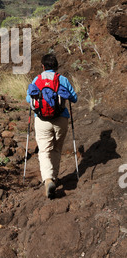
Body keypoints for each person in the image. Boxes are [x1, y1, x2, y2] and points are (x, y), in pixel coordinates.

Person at [26, 54, 77, 198]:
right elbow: (74, 98)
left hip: (42, 120)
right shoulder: (62, 79)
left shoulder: (37, 79)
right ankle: (54, 177)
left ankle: (48, 180)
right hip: (61, 119)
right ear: (56, 66)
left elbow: (28, 98)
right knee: (56, 149)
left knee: (44, 150)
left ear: (43, 66)